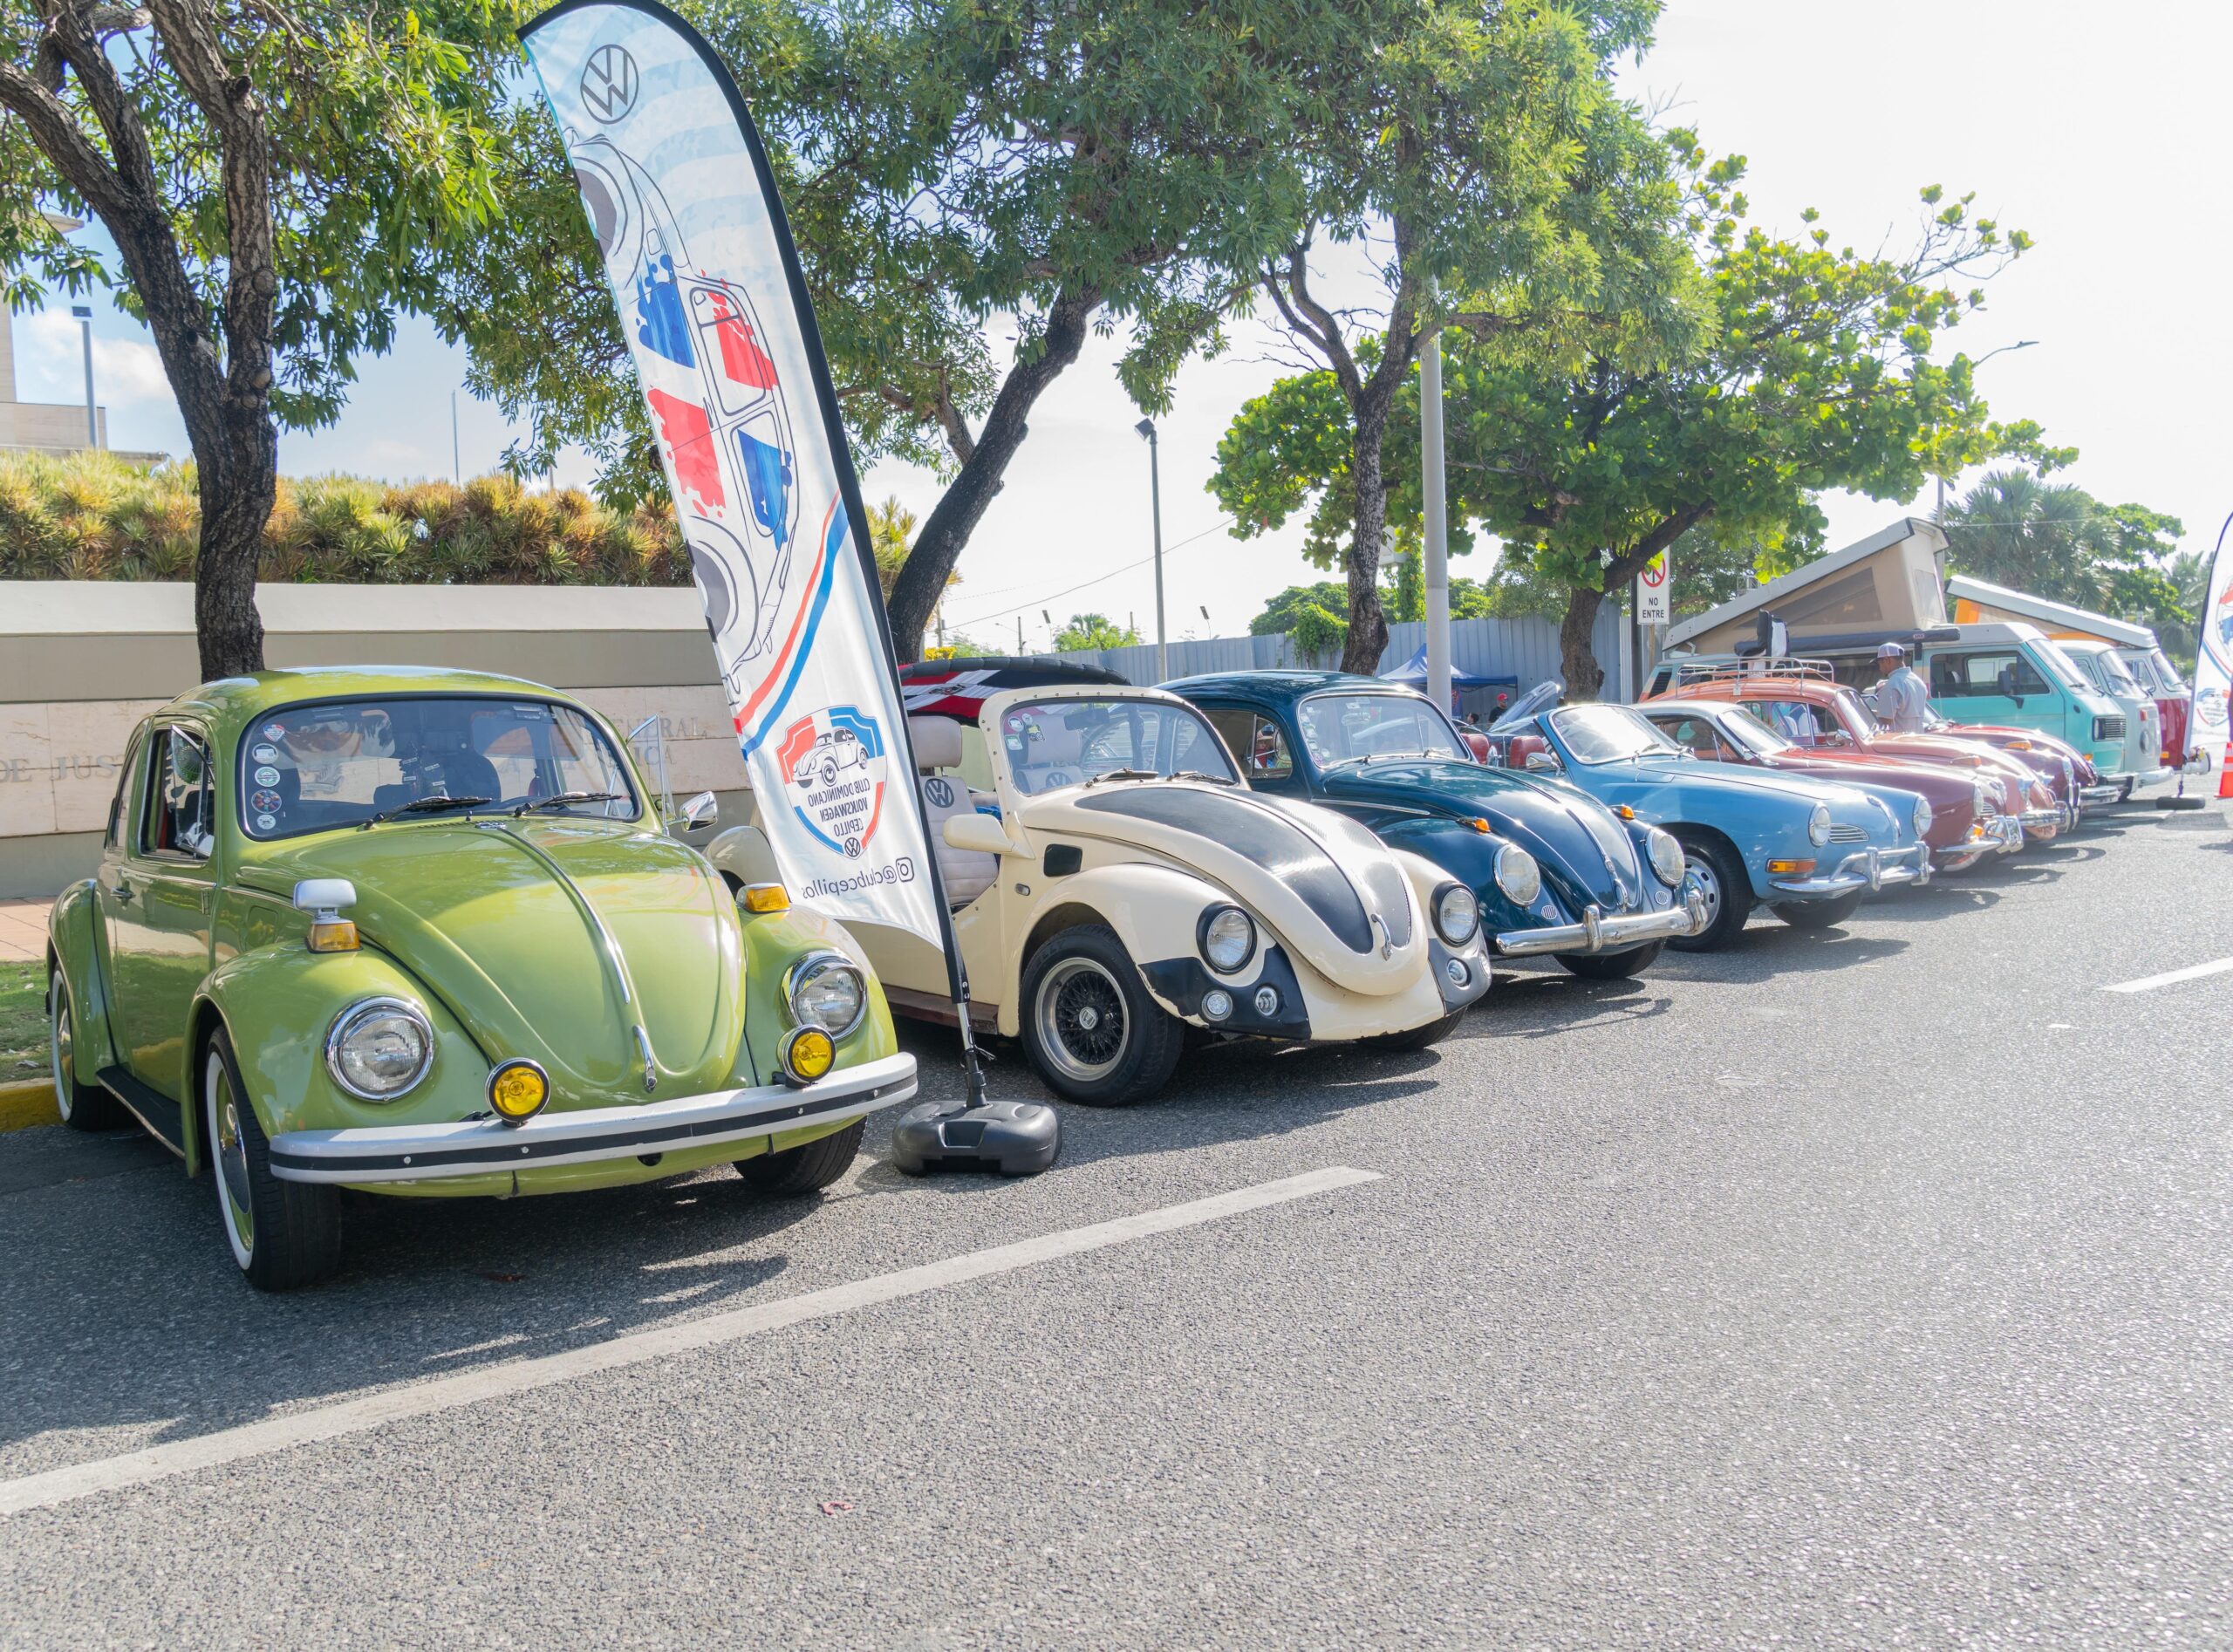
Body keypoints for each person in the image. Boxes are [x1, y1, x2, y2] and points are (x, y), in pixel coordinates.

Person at [1874, 641, 1930, 734]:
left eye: (1879, 663)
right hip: (1918, 740)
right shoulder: (1918, 681)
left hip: (1898, 742)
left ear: (1887, 660)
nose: (1879, 667)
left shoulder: (1892, 685)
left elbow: (1884, 723)